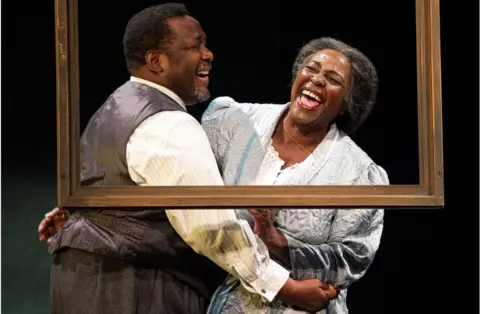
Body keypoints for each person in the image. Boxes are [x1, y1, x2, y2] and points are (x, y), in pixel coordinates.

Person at [42, 3, 336, 314]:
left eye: (205, 43)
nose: (208, 54)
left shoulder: (113, 108)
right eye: (195, 46)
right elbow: (210, 227)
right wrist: (285, 287)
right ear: (156, 61)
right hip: (135, 289)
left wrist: (75, 217)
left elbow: (107, 191)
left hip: (78, 285)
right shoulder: (168, 123)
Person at [199, 37, 388, 313]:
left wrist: (280, 244)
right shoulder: (234, 121)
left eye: (333, 79)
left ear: (346, 104)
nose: (317, 80)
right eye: (311, 69)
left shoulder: (358, 172)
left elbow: (352, 258)